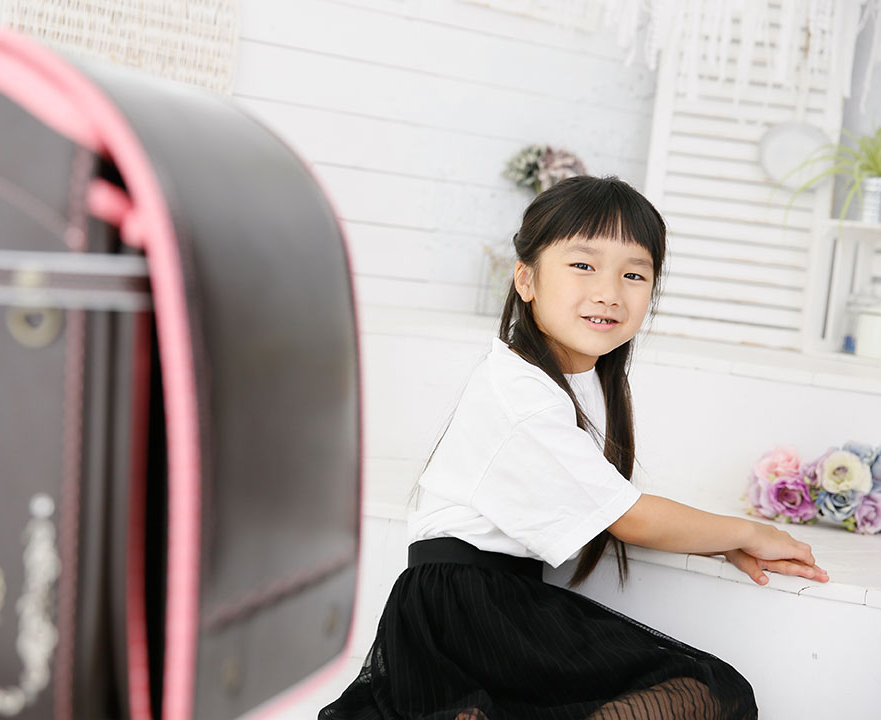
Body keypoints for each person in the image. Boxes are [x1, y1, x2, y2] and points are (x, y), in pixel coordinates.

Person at [318, 175, 829, 720]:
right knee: (710, 690)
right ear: (526, 279)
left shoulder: (572, 382)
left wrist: (717, 544)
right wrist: (747, 531)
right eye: (583, 265)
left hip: (483, 599)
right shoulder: (523, 393)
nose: (609, 291)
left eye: (634, 274)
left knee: (701, 691)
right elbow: (628, 516)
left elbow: (603, 502)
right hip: (468, 606)